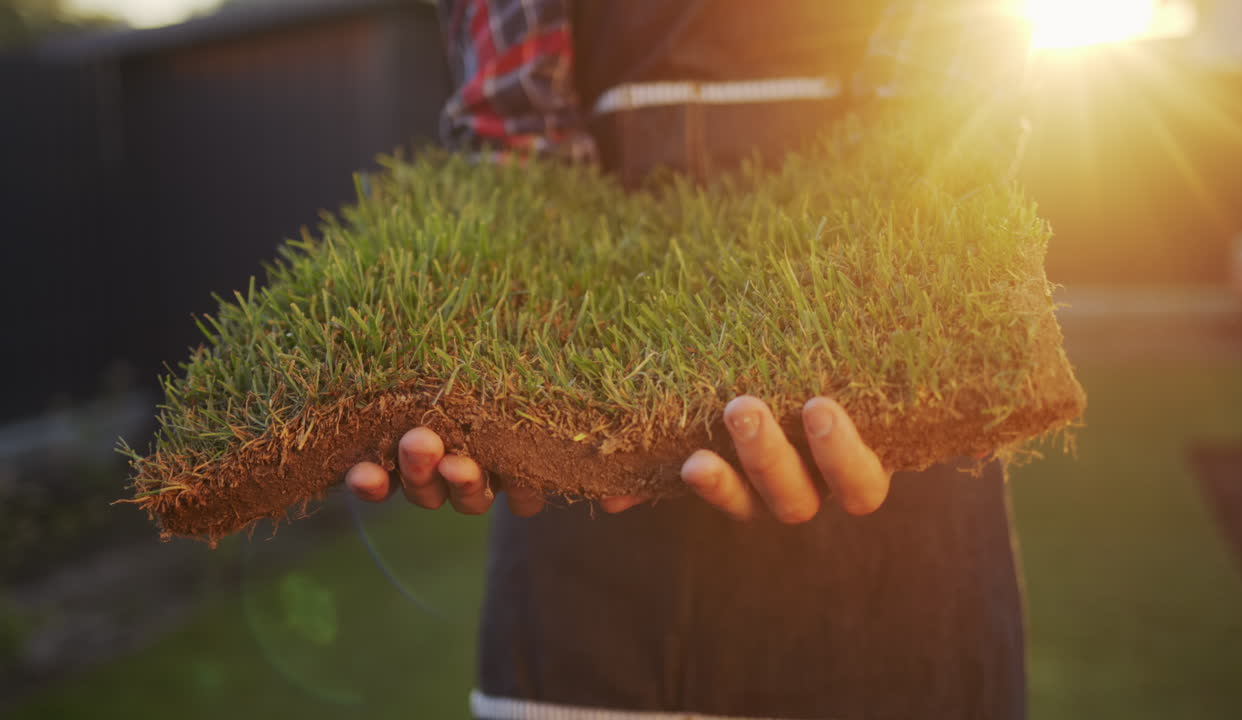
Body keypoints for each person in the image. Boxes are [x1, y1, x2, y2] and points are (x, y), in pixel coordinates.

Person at [346, 2, 1032, 718]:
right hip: (589, 583)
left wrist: (899, 261)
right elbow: (513, 127)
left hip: (901, 583)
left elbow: (945, 111)